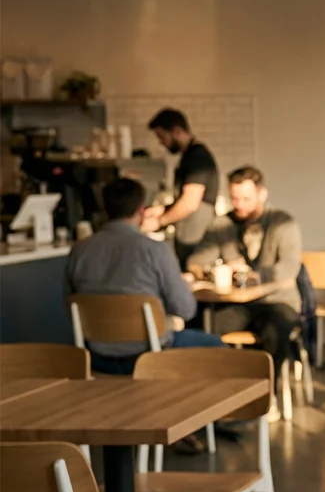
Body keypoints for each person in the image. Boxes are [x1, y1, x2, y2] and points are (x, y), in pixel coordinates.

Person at [65, 177, 224, 375]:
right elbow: (186, 310)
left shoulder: (79, 251)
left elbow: (70, 306)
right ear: (141, 210)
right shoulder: (156, 251)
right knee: (216, 346)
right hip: (150, 356)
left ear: (104, 209)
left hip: (96, 356)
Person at [189, 166, 302, 370]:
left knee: (273, 333)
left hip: (276, 301)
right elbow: (196, 261)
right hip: (237, 305)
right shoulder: (222, 224)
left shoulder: (282, 222)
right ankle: (224, 387)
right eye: (235, 199)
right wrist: (218, 270)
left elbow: (289, 268)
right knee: (203, 329)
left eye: (246, 199)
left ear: (262, 194)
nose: (239, 205)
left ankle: (266, 393)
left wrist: (252, 277)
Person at [143, 108, 220, 267]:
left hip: (197, 235)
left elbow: (190, 202)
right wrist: (162, 210)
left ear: (177, 131)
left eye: (162, 137)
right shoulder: (189, 156)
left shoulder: (197, 157)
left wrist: (159, 221)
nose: (161, 143)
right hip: (189, 231)